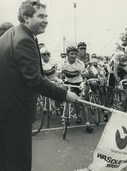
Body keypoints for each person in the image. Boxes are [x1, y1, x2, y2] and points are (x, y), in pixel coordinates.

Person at [0, 1, 78, 171]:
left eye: (46, 16)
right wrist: (64, 94)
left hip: (7, 111)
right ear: (26, 17)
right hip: (16, 113)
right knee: (18, 161)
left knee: (7, 159)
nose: (45, 20)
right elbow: (34, 79)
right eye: (40, 16)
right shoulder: (24, 40)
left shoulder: (12, 34)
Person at [61, 45, 94, 132]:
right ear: (67, 54)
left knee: (82, 102)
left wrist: (83, 83)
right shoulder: (62, 63)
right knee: (61, 92)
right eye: (72, 54)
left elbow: (85, 77)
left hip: (78, 83)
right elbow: (58, 75)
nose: (74, 56)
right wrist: (59, 81)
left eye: (75, 54)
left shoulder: (80, 64)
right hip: (67, 82)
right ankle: (64, 111)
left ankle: (87, 123)